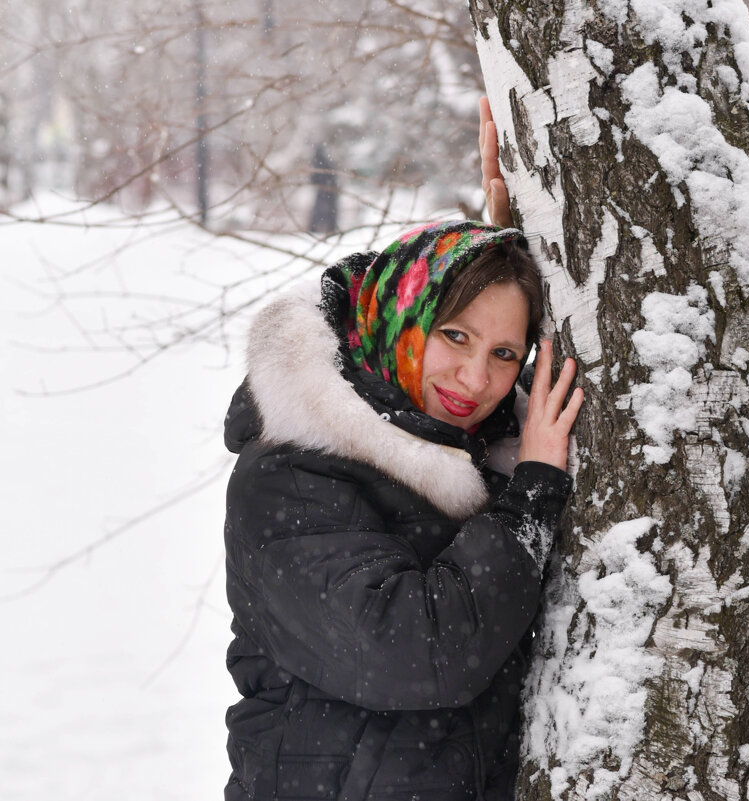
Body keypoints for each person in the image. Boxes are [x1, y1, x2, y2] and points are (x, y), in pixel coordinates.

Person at [221, 104, 584, 801]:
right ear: (400, 316)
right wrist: (533, 493)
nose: (475, 379)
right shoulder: (290, 473)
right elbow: (414, 653)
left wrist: (519, 233)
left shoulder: (471, 450)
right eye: (453, 336)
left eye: (503, 352)